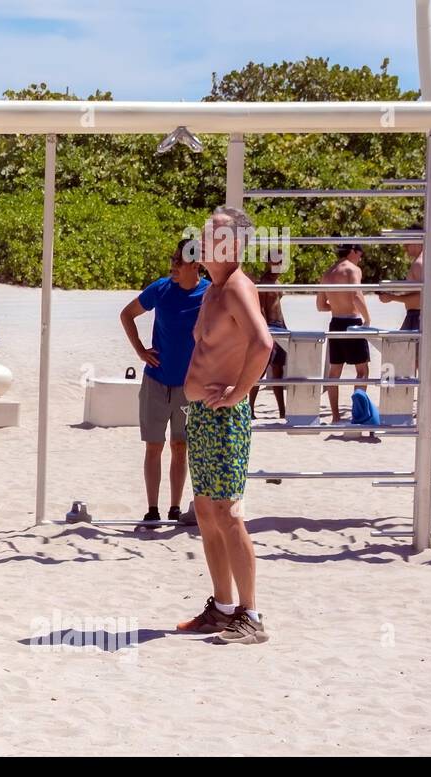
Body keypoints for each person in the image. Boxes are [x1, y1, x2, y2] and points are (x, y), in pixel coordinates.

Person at [176, 206, 274, 644]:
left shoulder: (237, 287)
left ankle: (251, 616)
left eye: (212, 234)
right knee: (204, 509)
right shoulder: (213, 289)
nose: (202, 238)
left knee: (228, 513)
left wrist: (238, 394)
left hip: (224, 418)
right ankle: (223, 606)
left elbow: (264, 342)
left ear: (232, 245)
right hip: (202, 415)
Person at [119, 238, 208, 525]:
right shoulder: (161, 288)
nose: (172, 266)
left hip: (189, 386)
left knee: (180, 447)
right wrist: (140, 350)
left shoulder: (209, 294)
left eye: (177, 261)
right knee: (153, 446)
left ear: (195, 265)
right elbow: (127, 314)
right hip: (156, 381)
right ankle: (152, 509)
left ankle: (175, 507)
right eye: (171, 259)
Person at [317, 243, 371, 423]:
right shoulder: (352, 269)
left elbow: (320, 305)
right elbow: (356, 294)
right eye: (361, 253)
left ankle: (335, 416)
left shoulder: (328, 273)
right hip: (352, 322)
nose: (361, 257)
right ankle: (359, 414)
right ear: (353, 251)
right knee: (362, 371)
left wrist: (338, 304)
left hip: (335, 323)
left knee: (334, 372)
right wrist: (368, 319)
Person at [248, 250, 288, 419]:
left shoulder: (276, 282)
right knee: (260, 369)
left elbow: (278, 308)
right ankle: (250, 409)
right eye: (275, 262)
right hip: (269, 327)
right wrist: (263, 330)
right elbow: (261, 309)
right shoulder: (264, 283)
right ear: (268, 263)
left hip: (280, 326)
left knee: (278, 369)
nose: (278, 266)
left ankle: (282, 411)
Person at [379, 226, 423, 332]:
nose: (404, 246)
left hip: (417, 317)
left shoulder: (419, 264)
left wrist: (392, 297)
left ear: (417, 242)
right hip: (415, 316)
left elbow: (423, 298)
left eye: (407, 243)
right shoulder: (421, 261)